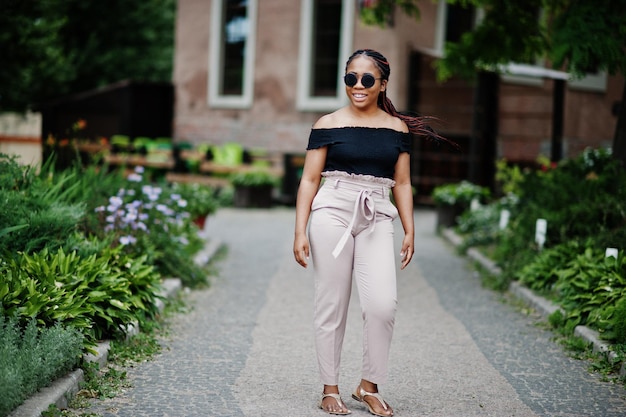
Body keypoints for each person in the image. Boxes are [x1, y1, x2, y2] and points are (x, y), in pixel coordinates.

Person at [293, 49, 444, 416]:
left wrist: (409, 229)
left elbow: (403, 183)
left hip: (377, 212)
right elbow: (310, 179)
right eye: (350, 78)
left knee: (382, 304)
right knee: (332, 302)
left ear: (382, 84)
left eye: (366, 79)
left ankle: (368, 385)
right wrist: (299, 230)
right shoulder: (327, 123)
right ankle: (330, 388)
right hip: (332, 210)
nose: (357, 86)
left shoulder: (397, 130)